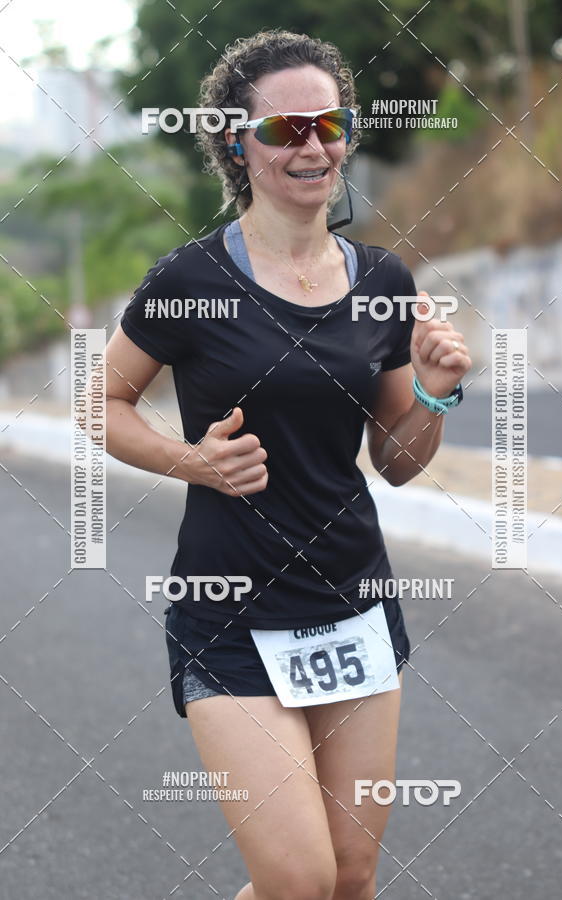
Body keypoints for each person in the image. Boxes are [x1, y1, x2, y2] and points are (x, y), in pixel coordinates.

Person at [104, 28, 471, 900]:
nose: (311, 145)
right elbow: (102, 405)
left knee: (349, 878)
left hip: (353, 605)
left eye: (328, 123)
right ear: (238, 144)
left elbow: (400, 463)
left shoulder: (384, 276)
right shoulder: (188, 277)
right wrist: (192, 461)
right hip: (228, 614)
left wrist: (434, 393)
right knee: (298, 879)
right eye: (282, 130)